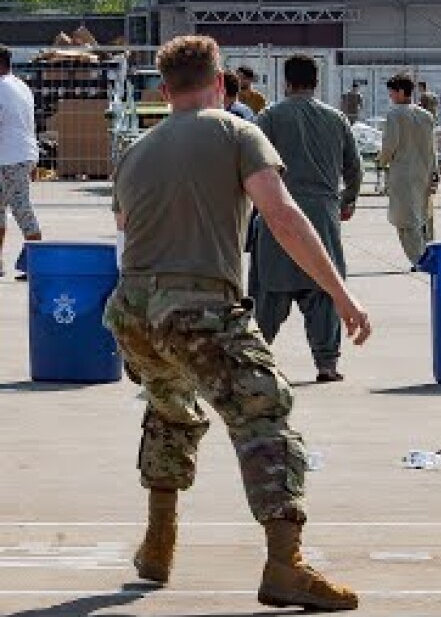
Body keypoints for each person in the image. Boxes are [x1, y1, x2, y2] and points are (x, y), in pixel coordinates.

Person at [103, 35, 371, 611]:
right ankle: (285, 566)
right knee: (264, 416)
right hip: (198, 304)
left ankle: (158, 546)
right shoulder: (237, 131)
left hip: (131, 312)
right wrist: (340, 295)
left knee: (171, 408)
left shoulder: (135, 150)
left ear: (164, 89)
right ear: (222, 82)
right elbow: (282, 215)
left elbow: (127, 227)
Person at [253, 54, 363, 384]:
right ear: (317, 81)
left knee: (268, 291)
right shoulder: (336, 118)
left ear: (286, 81)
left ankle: (255, 357)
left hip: (277, 211)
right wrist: (348, 201)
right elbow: (353, 168)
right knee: (325, 289)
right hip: (324, 214)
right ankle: (327, 363)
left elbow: (248, 164)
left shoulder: (269, 117)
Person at [380, 74, 438, 265]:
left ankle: (419, 259)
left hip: (402, 174)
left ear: (401, 92)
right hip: (424, 171)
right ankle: (430, 254)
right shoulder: (426, 115)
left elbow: (390, 145)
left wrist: (381, 161)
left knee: (405, 221)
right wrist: (435, 171)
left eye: (392, 92)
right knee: (424, 216)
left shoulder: (394, 115)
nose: (390, 96)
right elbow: (432, 147)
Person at [0, 44, 43, 281]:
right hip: (20, 154)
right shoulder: (21, 85)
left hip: (10, 157)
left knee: (21, 209)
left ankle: (37, 263)